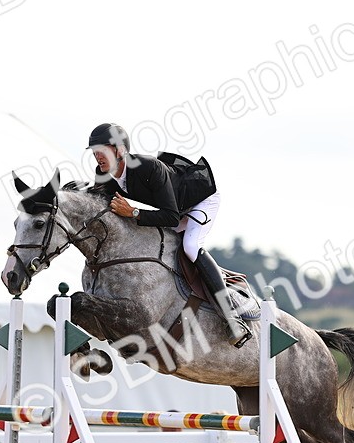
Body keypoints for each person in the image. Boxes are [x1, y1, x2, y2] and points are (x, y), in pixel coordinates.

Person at [86, 122, 249, 347]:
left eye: (102, 151)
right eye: (95, 152)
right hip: (170, 207)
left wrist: (133, 212)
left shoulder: (149, 168)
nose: (97, 157)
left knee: (190, 246)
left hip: (198, 200)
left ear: (120, 150)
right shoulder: (102, 174)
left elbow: (171, 217)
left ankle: (233, 318)